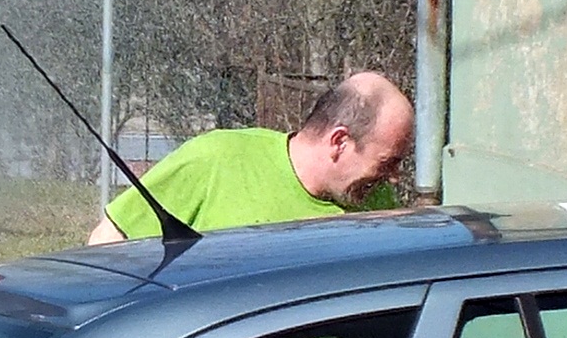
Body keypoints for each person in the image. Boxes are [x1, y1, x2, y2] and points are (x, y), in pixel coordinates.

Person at [88, 72, 417, 244]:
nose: (394, 177)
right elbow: (108, 245)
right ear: (339, 142)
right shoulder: (216, 161)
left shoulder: (377, 203)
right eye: (387, 162)